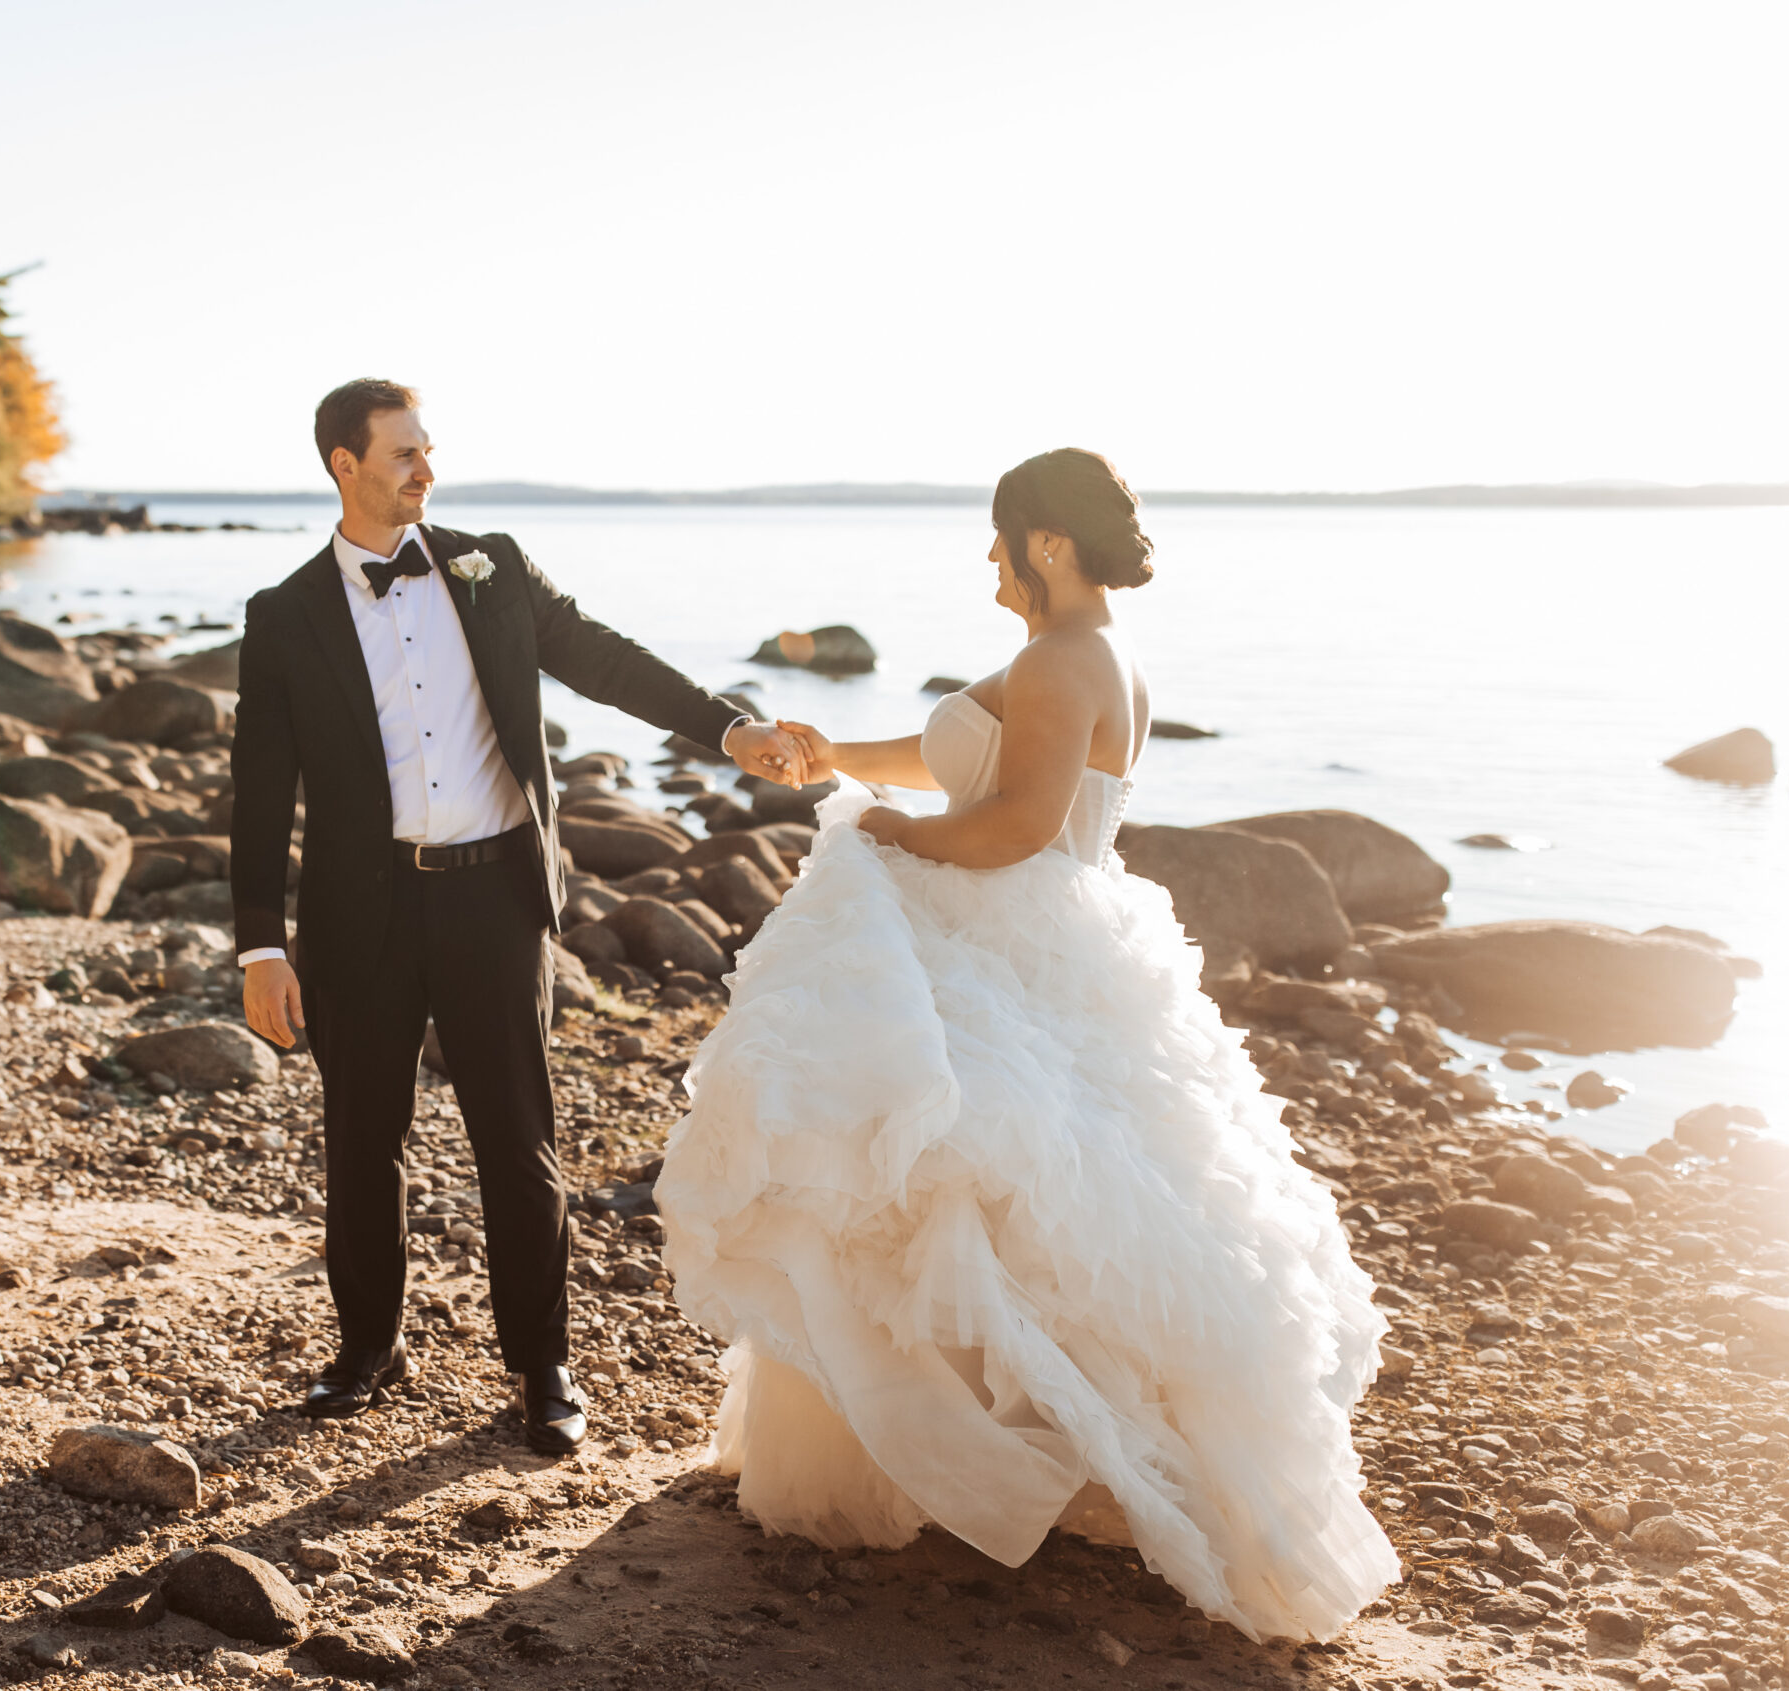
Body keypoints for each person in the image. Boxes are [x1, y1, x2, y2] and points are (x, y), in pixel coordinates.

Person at [659, 449, 1398, 1639]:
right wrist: (838, 759)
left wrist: (888, 834)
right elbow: (965, 756)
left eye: (998, 541)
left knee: (944, 1175)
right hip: (1039, 937)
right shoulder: (1082, 655)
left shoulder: (1063, 660)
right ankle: (984, 1458)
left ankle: (968, 1463)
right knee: (999, 1193)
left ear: (1046, 545)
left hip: (1009, 933)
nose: (988, 563)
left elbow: (1009, 826)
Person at [230, 378, 807, 1454]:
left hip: (494, 895)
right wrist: (261, 942)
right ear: (342, 465)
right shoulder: (284, 615)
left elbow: (603, 657)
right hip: (359, 913)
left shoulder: (489, 565)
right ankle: (368, 1349)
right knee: (362, 1141)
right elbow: (259, 789)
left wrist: (725, 728)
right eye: (402, 453)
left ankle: (542, 1367)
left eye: (428, 449)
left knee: (518, 1141)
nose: (425, 469)